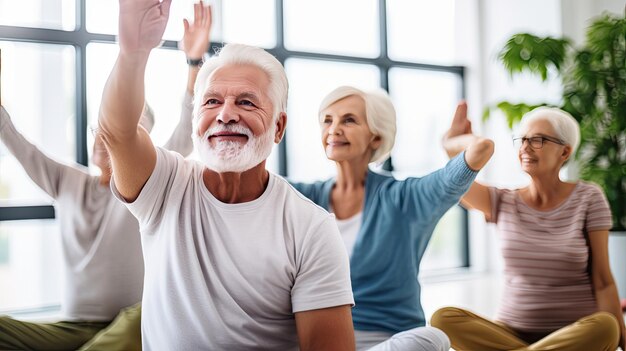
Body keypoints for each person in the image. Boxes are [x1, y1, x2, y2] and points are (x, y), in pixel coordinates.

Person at [97, 0, 355, 350]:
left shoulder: (310, 227)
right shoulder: (165, 185)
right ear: (195, 121)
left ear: (278, 127)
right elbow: (118, 132)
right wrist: (133, 53)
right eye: (212, 102)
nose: (225, 115)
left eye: (247, 103)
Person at [0, 3, 209, 350]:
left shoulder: (148, 184)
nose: (105, 136)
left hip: (128, 325)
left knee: (142, 317)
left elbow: (186, 132)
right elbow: (15, 141)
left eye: (124, 129)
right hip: (70, 328)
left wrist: (193, 62)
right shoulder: (65, 180)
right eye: (102, 127)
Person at [289, 86, 494, 350]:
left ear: (376, 137)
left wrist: (453, 145)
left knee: (434, 339)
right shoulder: (303, 197)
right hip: (316, 336)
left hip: (383, 340)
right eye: (327, 120)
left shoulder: (405, 197)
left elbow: (482, 149)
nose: (334, 129)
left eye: (348, 120)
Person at [431, 104, 625, 351]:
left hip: (574, 334)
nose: (525, 147)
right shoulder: (502, 200)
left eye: (538, 140)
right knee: (442, 319)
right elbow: (454, 182)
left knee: (606, 327)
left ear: (564, 152)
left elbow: (603, 281)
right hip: (509, 333)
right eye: (522, 140)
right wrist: (456, 145)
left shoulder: (588, 198)